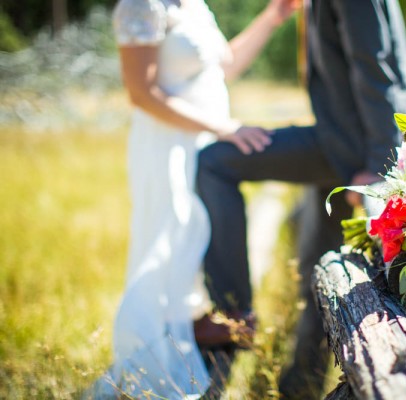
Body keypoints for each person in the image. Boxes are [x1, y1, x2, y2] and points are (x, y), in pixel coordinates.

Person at [195, 0, 406, 398]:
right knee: (319, 265)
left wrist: (378, 167)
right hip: (345, 140)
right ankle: (299, 384)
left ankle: (234, 311)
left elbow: (374, 66)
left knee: (214, 162)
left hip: (355, 146)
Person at [87, 0, 298, 398]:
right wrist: (225, 128)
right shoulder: (141, 5)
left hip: (201, 144)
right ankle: (152, 353)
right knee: (168, 244)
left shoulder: (194, 3)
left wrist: (274, 16)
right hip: (166, 147)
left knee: (196, 241)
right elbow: (142, 93)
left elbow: (224, 66)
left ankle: (192, 329)